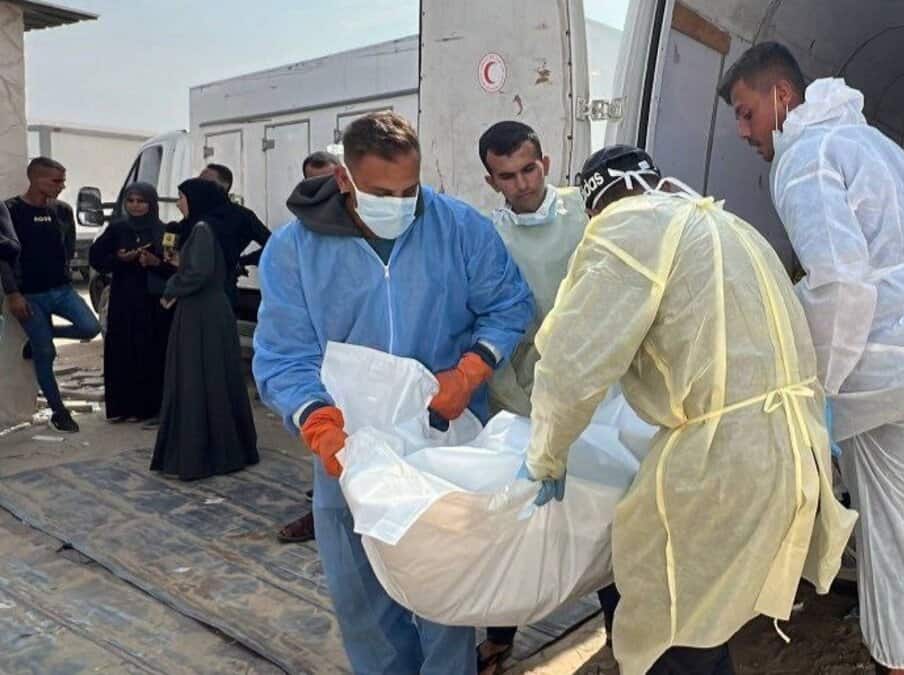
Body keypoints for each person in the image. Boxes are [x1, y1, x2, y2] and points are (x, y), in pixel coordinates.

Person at [524, 145, 857, 675]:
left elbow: (570, 366)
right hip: (792, 449)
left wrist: (545, 455)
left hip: (719, 464)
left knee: (669, 621)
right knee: (711, 614)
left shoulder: (626, 232)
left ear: (595, 207)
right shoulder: (728, 227)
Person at [717, 42, 904, 675]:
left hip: (887, 360)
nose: (744, 132)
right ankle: (897, 659)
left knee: (753, 444)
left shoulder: (804, 159)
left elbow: (841, 285)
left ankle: (726, 606)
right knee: (892, 522)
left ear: (782, 97)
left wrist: (816, 392)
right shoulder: (871, 142)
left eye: (748, 113)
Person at [253, 111, 534, 674]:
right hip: (351, 454)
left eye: (410, 190)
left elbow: (509, 304)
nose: (400, 204)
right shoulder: (294, 250)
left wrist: (472, 370)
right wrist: (317, 422)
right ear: (343, 180)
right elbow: (285, 354)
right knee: (365, 605)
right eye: (382, 192)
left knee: (445, 596)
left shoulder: (457, 227)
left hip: (442, 445)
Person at [472, 120, 607, 674]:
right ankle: (501, 632)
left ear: (546, 163)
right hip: (517, 391)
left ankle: (622, 624)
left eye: (529, 169)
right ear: (491, 179)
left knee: (607, 506)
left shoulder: (586, 213)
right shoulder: (486, 237)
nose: (522, 184)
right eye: (507, 176)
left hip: (596, 385)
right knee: (517, 516)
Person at [150, 178, 259, 481]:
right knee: (217, 377)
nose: (179, 204)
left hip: (200, 311)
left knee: (196, 378)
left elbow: (197, 274)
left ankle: (201, 454)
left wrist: (171, 288)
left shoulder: (201, 229)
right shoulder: (212, 226)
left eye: (182, 198)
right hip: (215, 308)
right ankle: (229, 449)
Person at [275, 151, 343, 546]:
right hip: (318, 363)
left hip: (362, 367)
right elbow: (283, 340)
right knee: (325, 443)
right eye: (313, 185)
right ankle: (322, 513)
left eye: (330, 183)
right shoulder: (297, 244)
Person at [5, 157, 100, 433]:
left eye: (63, 180)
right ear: (36, 179)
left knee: (90, 326)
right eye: (56, 181)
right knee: (45, 354)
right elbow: (4, 259)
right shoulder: (10, 211)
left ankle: (40, 338)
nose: (62, 186)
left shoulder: (62, 210)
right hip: (29, 295)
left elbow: (68, 246)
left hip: (61, 290)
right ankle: (59, 411)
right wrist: (13, 294)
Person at [88, 183, 173, 425]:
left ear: (151, 204)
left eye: (141, 201)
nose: (136, 206)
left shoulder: (164, 231)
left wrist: (155, 262)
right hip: (124, 299)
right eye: (131, 201)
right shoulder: (117, 229)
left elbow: (175, 267)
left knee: (150, 351)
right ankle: (122, 408)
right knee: (121, 350)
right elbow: (97, 259)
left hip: (153, 301)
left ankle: (148, 408)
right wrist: (120, 259)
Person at [198, 163, 272, 307]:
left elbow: (273, 245)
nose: (198, 185)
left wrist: (242, 261)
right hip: (193, 290)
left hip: (223, 291)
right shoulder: (195, 213)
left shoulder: (241, 216)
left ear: (222, 187)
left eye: (203, 181)